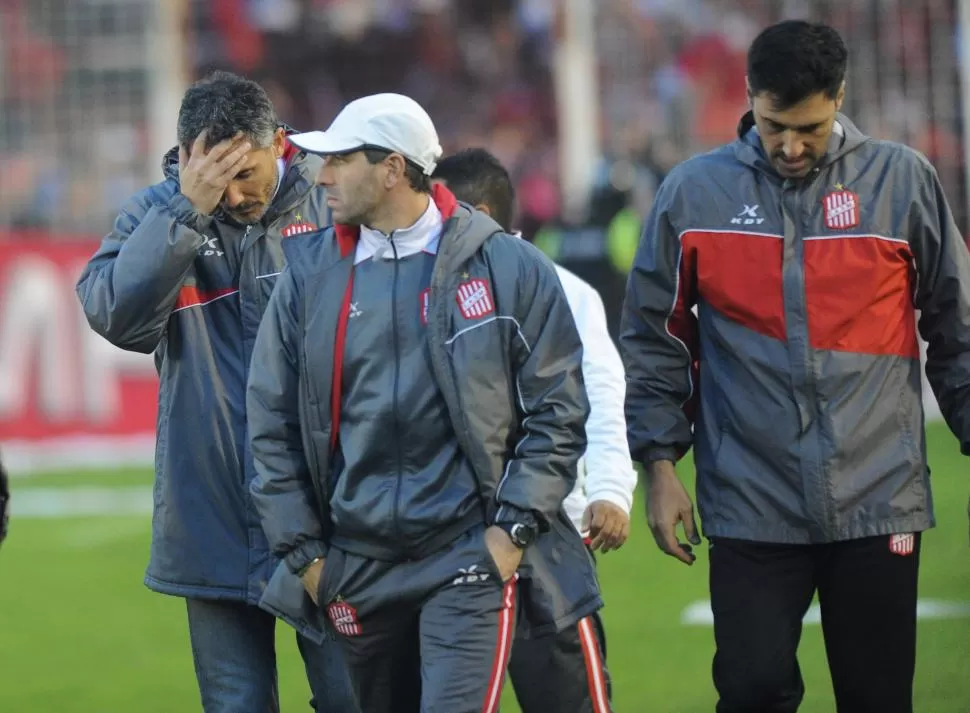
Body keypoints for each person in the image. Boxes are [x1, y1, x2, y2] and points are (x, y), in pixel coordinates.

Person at [620, 20, 970, 713]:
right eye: (776, 123)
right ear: (750, 97)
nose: (790, 143)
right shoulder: (692, 194)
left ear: (839, 97)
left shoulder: (903, 182)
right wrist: (658, 464)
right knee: (751, 691)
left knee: (878, 700)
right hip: (751, 503)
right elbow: (655, 337)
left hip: (879, 496)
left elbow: (955, 324)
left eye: (809, 126)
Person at [246, 93, 603, 713]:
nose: (320, 175)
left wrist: (509, 534)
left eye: (340, 160)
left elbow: (559, 409)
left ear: (392, 169)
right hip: (353, 569)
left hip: (466, 560)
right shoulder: (306, 275)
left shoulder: (506, 266)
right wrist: (308, 559)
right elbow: (269, 422)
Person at [75, 71, 356, 713]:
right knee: (237, 704)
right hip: (214, 512)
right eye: (214, 179)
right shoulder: (157, 213)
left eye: (245, 174)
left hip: (330, 509)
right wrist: (184, 209)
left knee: (357, 698)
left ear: (279, 142)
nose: (232, 196)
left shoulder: (336, 199)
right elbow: (116, 317)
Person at [432, 147, 635, 713]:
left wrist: (610, 489)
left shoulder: (563, 288)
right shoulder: (419, 288)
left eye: (437, 205)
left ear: (476, 212)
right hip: (446, 539)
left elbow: (600, 393)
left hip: (549, 540)